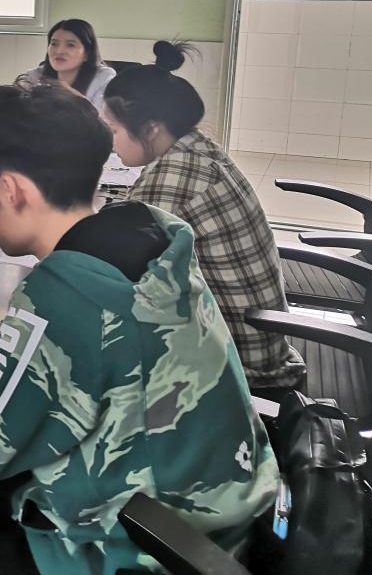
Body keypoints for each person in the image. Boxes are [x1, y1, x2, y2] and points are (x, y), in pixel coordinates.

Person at [0, 82, 278, 575]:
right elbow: (49, 347)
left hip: (140, 554)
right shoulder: (147, 236)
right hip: (222, 519)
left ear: (10, 190)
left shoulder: (62, 298)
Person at [102, 41, 305, 395]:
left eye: (114, 130)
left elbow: (112, 271)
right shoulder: (195, 147)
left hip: (244, 367)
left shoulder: (175, 174)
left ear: (151, 129)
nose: (110, 142)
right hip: (260, 342)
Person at [17, 18, 115, 111]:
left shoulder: (103, 78)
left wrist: (69, 93)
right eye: (54, 44)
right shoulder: (34, 76)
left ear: (87, 53)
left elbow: (101, 120)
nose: (59, 51)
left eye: (70, 45)